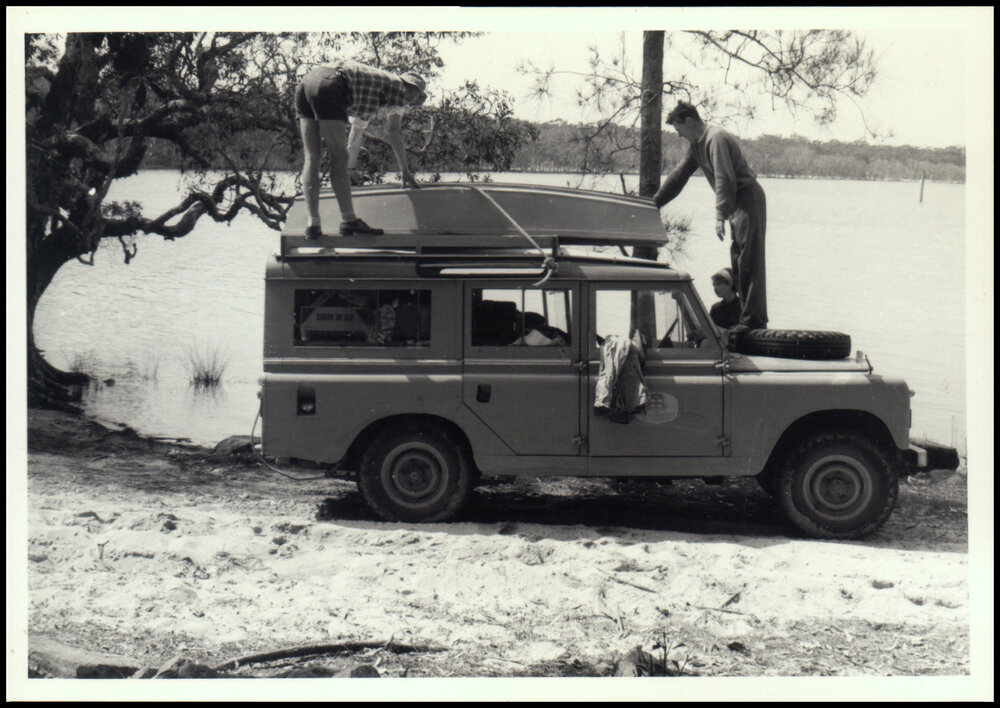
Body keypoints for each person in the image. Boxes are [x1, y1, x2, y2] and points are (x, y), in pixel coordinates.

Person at [653, 101, 768, 330]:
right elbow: (679, 176)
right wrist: (653, 204)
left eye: (679, 130)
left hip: (747, 198)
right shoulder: (697, 145)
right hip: (735, 202)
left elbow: (725, 176)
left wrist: (719, 216)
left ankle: (753, 321)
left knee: (749, 260)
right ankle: (746, 319)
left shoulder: (714, 137)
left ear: (689, 121)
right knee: (738, 262)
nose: (679, 135)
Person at [295, 61, 427, 239]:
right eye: (414, 97)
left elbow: (356, 134)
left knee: (312, 157)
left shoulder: (373, 89)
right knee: (338, 156)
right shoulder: (399, 88)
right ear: (411, 90)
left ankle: (313, 224)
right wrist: (405, 170)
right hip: (332, 84)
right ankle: (349, 220)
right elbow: (394, 131)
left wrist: (350, 169)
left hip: (307, 82)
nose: (409, 103)